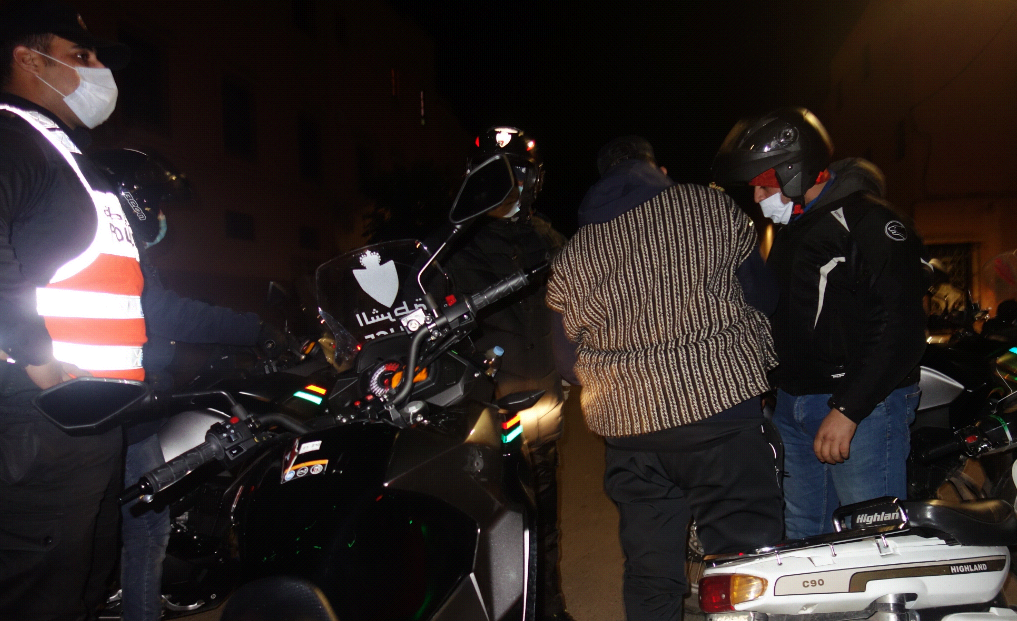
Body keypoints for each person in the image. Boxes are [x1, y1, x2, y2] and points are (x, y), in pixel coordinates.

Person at [547, 136, 783, 621]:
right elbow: (762, 295)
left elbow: (565, 359)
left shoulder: (576, 251)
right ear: (657, 168)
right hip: (721, 410)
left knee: (649, 572)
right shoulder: (710, 207)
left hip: (631, 432)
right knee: (745, 560)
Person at [87, 147, 284, 621]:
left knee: (137, 529)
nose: (160, 216)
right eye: (155, 204)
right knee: (136, 532)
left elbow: (145, 322)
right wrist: (255, 329)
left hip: (124, 415)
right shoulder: (112, 251)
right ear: (132, 201)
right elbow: (167, 312)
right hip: (112, 419)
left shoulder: (109, 247)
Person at [713, 107, 928, 539]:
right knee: (806, 541)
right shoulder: (796, 228)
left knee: (871, 538)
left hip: (860, 409)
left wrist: (848, 409)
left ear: (795, 172)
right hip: (795, 403)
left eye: (765, 185)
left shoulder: (870, 222)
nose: (758, 198)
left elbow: (900, 326)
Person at [0, 2, 139, 619]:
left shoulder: (60, 150)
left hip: (88, 419)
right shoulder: (12, 136)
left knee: (80, 591)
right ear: (28, 60)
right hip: (41, 418)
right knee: (39, 599)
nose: (98, 70)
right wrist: (38, 358)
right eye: (81, 55)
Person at [443, 126, 573, 621]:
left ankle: (548, 604)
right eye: (499, 175)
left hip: (540, 398)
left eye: (519, 174)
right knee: (483, 518)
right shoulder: (453, 247)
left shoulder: (549, 239)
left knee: (543, 513)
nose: (512, 186)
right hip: (480, 407)